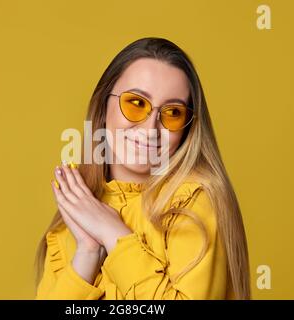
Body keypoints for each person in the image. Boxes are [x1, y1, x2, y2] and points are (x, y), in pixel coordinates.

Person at [34, 37, 250, 300]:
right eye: (136, 104)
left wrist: (112, 233)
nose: (150, 130)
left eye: (172, 113)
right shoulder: (76, 212)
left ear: (187, 127)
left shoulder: (195, 200)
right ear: (104, 105)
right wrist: (88, 254)